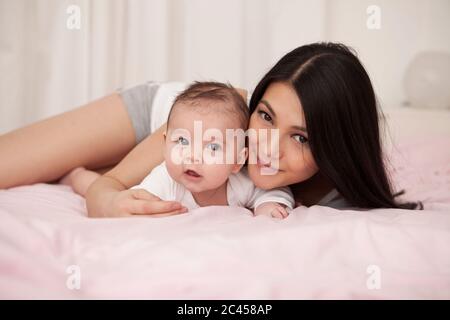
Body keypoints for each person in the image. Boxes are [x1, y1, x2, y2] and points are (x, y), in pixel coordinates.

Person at [0, 42, 422, 218]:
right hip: (159, 119)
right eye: (267, 116)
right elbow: (111, 185)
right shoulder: (231, 114)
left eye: (301, 137)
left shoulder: (337, 199)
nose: (265, 147)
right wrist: (105, 200)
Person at [61, 81, 294, 218]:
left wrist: (267, 207)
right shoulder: (165, 182)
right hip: (140, 118)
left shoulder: (240, 183)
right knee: (93, 184)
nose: (192, 155)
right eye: (182, 141)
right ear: (165, 144)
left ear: (236, 162)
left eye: (212, 147)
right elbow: (136, 203)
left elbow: (274, 192)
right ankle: (77, 175)